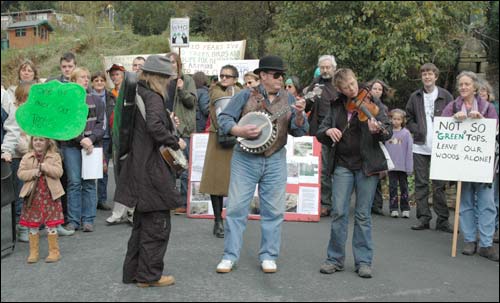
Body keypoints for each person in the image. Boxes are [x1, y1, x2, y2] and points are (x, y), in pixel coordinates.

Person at [215, 55, 308, 274]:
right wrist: (238, 130)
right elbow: (224, 118)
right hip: (245, 158)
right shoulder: (245, 95)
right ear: (263, 75)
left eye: (282, 75)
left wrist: (300, 115)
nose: (280, 79)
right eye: (276, 75)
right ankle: (229, 256)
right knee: (236, 207)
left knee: (274, 210)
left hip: (275, 158)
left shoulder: (290, 99)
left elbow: (299, 131)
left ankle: (268, 255)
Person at [115, 55, 184, 287]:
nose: (168, 82)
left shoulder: (137, 94)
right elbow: (155, 127)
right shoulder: (153, 97)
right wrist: (175, 141)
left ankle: (133, 272)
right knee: (157, 225)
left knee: (141, 225)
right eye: (166, 77)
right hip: (152, 169)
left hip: (137, 166)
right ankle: (149, 276)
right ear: (158, 77)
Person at [316, 68, 392, 278]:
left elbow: (388, 131)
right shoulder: (336, 106)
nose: (352, 88)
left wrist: (378, 131)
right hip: (342, 164)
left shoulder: (374, 102)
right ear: (339, 89)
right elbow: (321, 131)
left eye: (353, 83)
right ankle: (334, 259)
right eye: (346, 87)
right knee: (339, 212)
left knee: (362, 215)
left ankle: (364, 261)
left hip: (367, 165)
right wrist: (328, 131)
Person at [442, 71, 498, 262]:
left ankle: (486, 243)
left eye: (467, 84)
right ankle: (469, 240)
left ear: (475, 86)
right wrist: (453, 120)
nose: (463, 87)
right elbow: (442, 128)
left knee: (487, 204)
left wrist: (483, 121)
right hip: (462, 165)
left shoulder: (487, 107)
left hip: (483, 165)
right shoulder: (452, 106)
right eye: (461, 85)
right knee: (465, 202)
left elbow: (495, 131)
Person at [405, 63, 454, 232]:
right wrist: (416, 129)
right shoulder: (415, 96)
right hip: (420, 146)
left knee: (439, 185)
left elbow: (454, 118)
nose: (427, 76)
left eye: (430, 74)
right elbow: (408, 118)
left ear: (436, 76)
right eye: (424, 74)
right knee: (421, 184)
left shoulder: (446, 96)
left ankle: (442, 220)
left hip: (441, 147)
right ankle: (423, 218)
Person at [199, 65, 243, 238]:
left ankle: (233, 219)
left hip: (237, 138)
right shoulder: (215, 91)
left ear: (235, 78)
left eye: (228, 76)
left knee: (236, 183)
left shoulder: (240, 91)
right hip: (217, 137)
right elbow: (222, 105)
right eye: (222, 75)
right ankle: (218, 220)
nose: (224, 78)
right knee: (215, 182)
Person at [60, 68, 105, 233]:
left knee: (89, 184)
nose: (86, 80)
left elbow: (101, 125)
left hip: (91, 147)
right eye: (82, 77)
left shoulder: (97, 100)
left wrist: (91, 139)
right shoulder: (68, 102)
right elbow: (67, 125)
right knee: (74, 183)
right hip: (71, 146)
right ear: (73, 81)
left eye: (87, 77)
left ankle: (88, 220)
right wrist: (82, 140)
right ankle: (73, 220)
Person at [18, 137, 65, 263]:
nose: (38, 142)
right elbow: (21, 173)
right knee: (33, 225)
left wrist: (45, 167)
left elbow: (59, 172)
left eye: (41, 140)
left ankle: (54, 252)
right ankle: (33, 252)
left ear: (48, 142)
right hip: (33, 196)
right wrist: (34, 172)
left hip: (50, 196)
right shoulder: (27, 157)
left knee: (51, 224)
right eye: (35, 140)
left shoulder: (54, 156)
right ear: (31, 142)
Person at [304, 55, 338, 217]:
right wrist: (311, 96)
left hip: (339, 131)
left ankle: (336, 202)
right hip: (318, 132)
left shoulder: (339, 83)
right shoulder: (316, 83)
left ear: (334, 68)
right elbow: (307, 105)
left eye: (328, 67)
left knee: (337, 169)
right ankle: (324, 202)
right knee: (321, 169)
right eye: (322, 67)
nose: (325, 70)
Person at [165, 52, 197, 214]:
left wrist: (181, 88)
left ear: (178, 65)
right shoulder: (161, 80)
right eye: (167, 62)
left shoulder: (187, 80)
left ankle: (184, 202)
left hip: (182, 129)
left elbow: (191, 102)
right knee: (168, 165)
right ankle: (170, 200)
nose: (170, 65)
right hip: (166, 128)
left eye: (173, 62)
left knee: (184, 166)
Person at [1, 83, 33, 242]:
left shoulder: (4, 97)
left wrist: (6, 149)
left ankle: (22, 225)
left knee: (21, 193)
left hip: (16, 156)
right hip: (18, 154)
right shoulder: (17, 108)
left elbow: (12, 129)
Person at [478, 80, 499, 243]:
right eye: (480, 91)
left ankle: (494, 229)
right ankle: (482, 231)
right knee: (484, 196)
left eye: (484, 91)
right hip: (480, 156)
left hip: (494, 153)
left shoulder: (494, 107)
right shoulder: (470, 107)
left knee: (493, 197)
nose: (482, 93)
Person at [91, 71, 115, 211]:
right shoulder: (88, 97)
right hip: (92, 137)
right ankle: (90, 199)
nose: (99, 83)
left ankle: (102, 198)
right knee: (89, 170)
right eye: (96, 80)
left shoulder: (111, 97)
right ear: (92, 83)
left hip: (106, 137)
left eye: (101, 80)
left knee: (103, 169)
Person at [367, 79, 392, 216]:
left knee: (378, 175)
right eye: (375, 88)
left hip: (379, 142)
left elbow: (387, 128)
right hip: (367, 142)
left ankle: (377, 205)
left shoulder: (383, 108)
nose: (377, 91)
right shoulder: (364, 103)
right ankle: (369, 203)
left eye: (380, 89)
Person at [384, 109, 413, 218]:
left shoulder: (406, 133)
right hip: (391, 166)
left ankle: (405, 208)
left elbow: (409, 151)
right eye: (394, 119)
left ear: (402, 120)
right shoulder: (387, 132)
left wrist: (409, 167)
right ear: (391, 119)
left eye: (398, 119)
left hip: (403, 167)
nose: (396, 121)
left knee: (404, 187)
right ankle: (393, 208)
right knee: (392, 187)